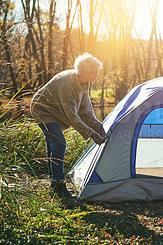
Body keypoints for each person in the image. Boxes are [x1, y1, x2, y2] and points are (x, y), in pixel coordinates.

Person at [30, 53, 107, 198]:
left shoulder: (85, 83)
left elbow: (86, 111)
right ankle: (59, 186)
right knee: (58, 143)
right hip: (43, 110)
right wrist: (91, 134)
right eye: (94, 72)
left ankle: (54, 184)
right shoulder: (67, 83)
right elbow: (72, 116)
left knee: (54, 145)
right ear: (83, 71)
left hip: (57, 111)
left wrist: (99, 127)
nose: (97, 75)